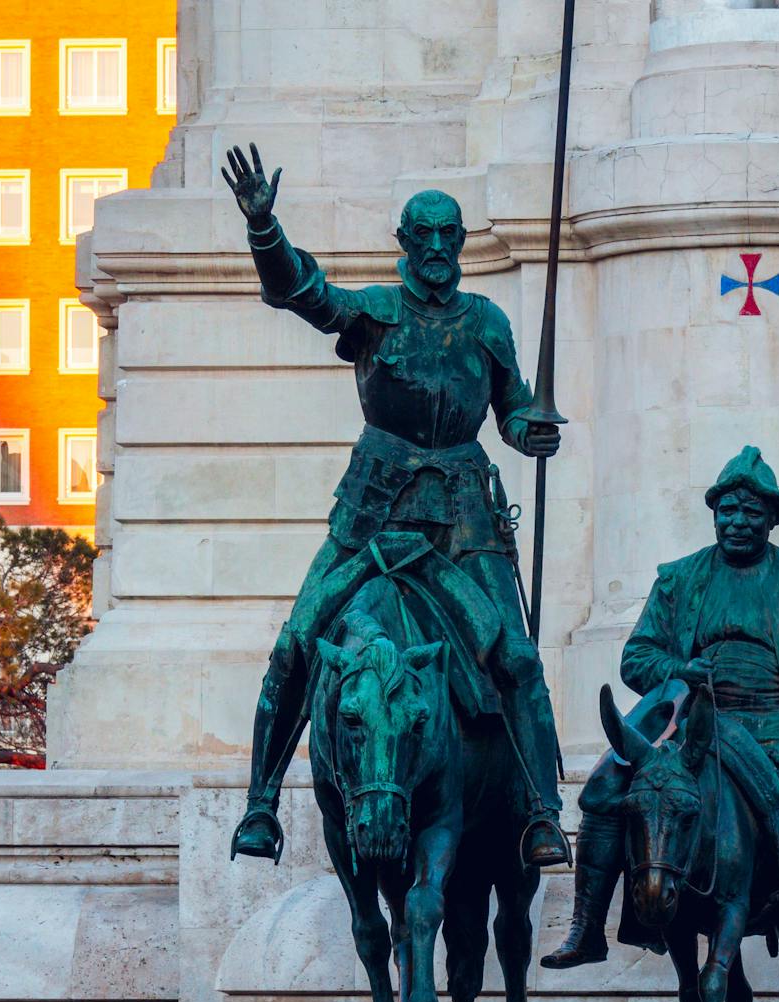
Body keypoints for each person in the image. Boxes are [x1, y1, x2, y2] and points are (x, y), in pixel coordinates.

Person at [218, 143, 571, 868]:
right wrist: (264, 230)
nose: (438, 247)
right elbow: (305, 294)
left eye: (450, 235)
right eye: (424, 235)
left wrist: (528, 429)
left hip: (467, 514)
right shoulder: (375, 312)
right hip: (375, 508)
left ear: (460, 243)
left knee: (520, 659)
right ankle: (259, 803)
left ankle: (542, 812)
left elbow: (510, 407)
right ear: (404, 242)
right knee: (296, 642)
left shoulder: (488, 321)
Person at [543, 446, 779, 984]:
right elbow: (637, 657)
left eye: (751, 513)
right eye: (728, 511)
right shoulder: (679, 578)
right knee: (603, 788)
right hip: (693, 718)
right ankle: (586, 927)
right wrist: (680, 668)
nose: (738, 522)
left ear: (771, 521)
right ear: (715, 514)